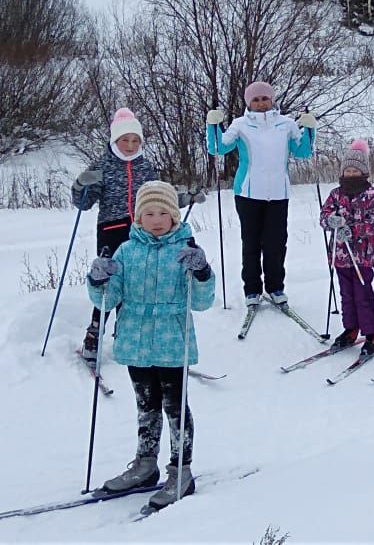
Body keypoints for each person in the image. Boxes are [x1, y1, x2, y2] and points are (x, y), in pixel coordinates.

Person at [85, 181, 215, 509]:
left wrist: (201, 271)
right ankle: (145, 465)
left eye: (163, 213)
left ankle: (180, 471)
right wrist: (98, 279)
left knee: (175, 408)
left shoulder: (186, 249)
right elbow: (107, 299)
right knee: (146, 406)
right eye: (148, 213)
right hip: (135, 341)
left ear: (174, 215)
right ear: (137, 217)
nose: (156, 219)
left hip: (173, 343)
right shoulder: (126, 251)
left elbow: (202, 302)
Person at [72, 108, 200, 362]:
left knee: (135, 282)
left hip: (142, 231)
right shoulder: (102, 165)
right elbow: (83, 204)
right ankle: (94, 333)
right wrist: (81, 186)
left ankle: (126, 332)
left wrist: (183, 199)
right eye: (124, 140)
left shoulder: (145, 166)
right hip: (111, 228)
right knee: (109, 281)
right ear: (114, 141)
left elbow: (159, 198)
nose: (130, 145)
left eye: (135, 140)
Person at [206, 81, 315, 307]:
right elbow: (218, 148)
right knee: (251, 243)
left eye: (265, 98)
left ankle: (275, 287)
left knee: (276, 244)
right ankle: (252, 290)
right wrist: (213, 125)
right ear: (249, 103)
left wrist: (309, 129)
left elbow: (303, 152)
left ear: (272, 100)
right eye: (255, 100)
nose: (261, 103)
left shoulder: (285, 125)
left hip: (278, 193)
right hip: (247, 193)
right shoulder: (240, 125)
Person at [320, 140, 374, 356]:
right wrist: (333, 221)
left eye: (355, 170)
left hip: (362, 256)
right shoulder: (336, 194)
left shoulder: (372, 195)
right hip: (340, 255)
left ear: (363, 172)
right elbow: (323, 217)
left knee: (362, 294)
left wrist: (355, 230)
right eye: (347, 170)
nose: (350, 174)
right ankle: (351, 329)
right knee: (346, 295)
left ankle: (371, 334)